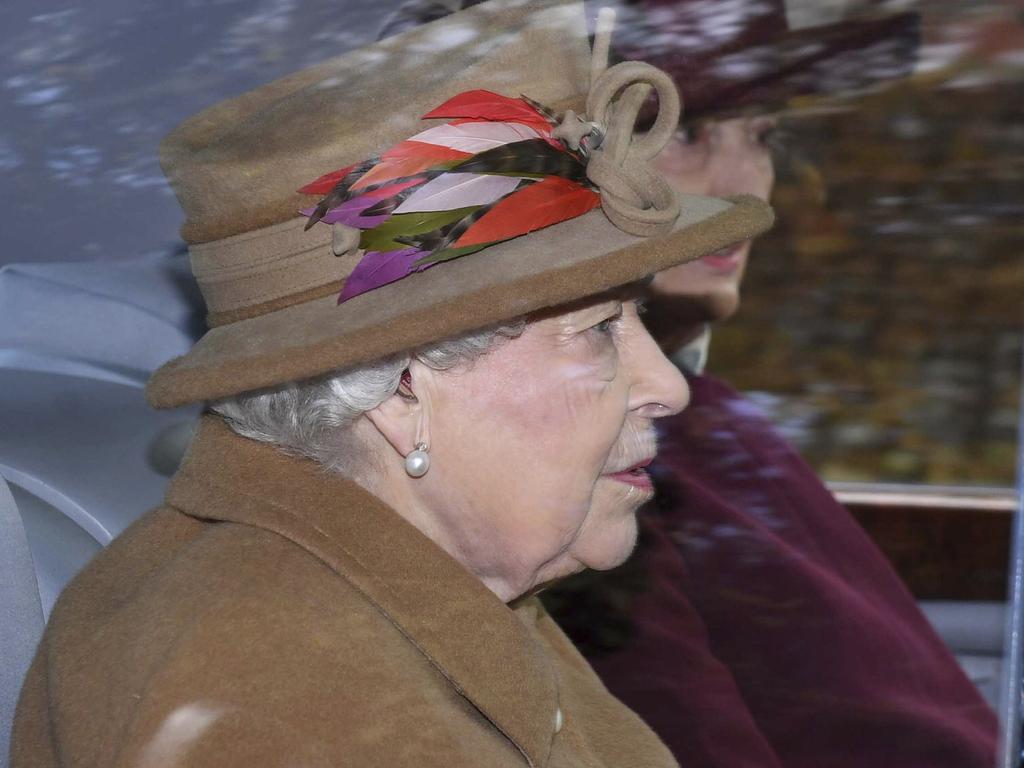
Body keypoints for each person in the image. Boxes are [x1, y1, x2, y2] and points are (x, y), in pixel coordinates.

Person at [9, 1, 775, 766]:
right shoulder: (272, 693)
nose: (666, 388)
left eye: (638, 316)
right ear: (403, 391)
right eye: (602, 330)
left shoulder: (434, 596)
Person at [542, 2, 1002, 767]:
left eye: (763, 137)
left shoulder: (710, 426)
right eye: (684, 134)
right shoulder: (591, 454)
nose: (745, 189)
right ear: (562, 158)